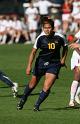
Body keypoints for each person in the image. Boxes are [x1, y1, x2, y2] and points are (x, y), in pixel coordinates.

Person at [17, 17, 68, 111]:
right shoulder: (40, 38)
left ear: (53, 28)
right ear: (43, 28)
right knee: (32, 85)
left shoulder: (60, 37)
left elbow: (65, 47)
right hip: (40, 63)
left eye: (49, 27)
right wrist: (29, 66)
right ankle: (23, 98)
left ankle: (36, 105)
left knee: (47, 87)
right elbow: (33, 52)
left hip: (54, 64)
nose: (47, 30)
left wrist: (63, 59)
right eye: (45, 28)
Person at [69, 30, 80, 107]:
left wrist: (79, 45)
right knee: (77, 75)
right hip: (77, 56)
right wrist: (74, 44)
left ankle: (76, 94)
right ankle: (71, 100)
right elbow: (74, 40)